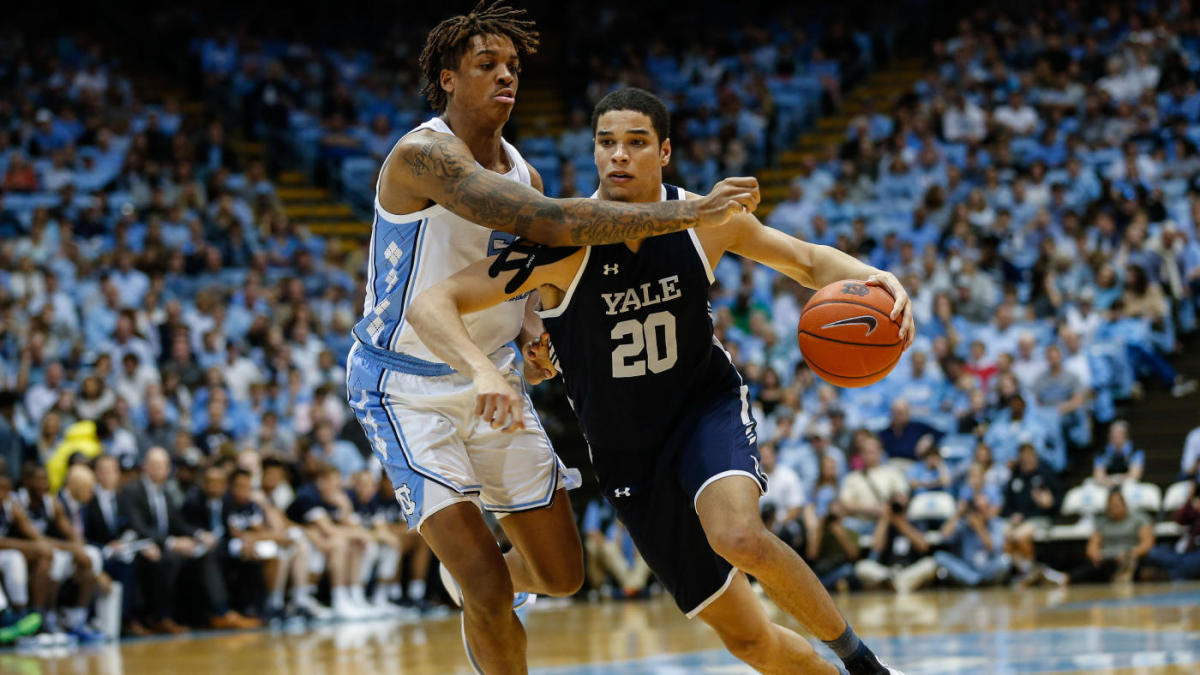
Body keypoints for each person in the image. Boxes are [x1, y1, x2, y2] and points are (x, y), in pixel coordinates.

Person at [408, 87, 909, 675]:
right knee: (750, 641)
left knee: (739, 536)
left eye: (636, 143)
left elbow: (806, 261)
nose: (618, 155)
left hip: (703, 408)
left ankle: (865, 665)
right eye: (606, 143)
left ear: (664, 152)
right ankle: (492, 575)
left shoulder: (706, 220)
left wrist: (879, 279)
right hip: (628, 455)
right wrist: (489, 365)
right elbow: (434, 303)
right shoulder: (560, 240)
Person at [343, 5, 759, 672]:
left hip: (496, 381)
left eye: (513, 66)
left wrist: (534, 328)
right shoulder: (423, 156)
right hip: (405, 383)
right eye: (487, 65)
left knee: (562, 573)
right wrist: (690, 209)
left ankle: (477, 591)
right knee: (485, 582)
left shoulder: (521, 169)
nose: (507, 75)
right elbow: (550, 222)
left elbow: (516, 276)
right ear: (447, 79)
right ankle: (477, 592)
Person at [1063, 489, 1154, 585]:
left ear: (1124, 504)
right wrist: (1095, 555)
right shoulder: (1102, 522)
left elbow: (1147, 543)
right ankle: (1064, 579)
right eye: (1111, 506)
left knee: (1134, 565)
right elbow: (1092, 545)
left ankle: (1124, 576)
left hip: (1130, 557)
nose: (1114, 508)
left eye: (1117, 505)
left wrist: (1131, 553)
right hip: (1107, 558)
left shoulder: (1139, 519)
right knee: (1091, 567)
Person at [1092, 421, 1145, 486]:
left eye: (1119, 434)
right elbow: (1099, 476)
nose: (1116, 437)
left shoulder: (1136, 451)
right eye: (1113, 434)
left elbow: (1135, 475)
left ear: (1126, 435)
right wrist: (1113, 481)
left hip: (1128, 485)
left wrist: (1117, 480)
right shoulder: (1102, 452)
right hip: (1107, 485)